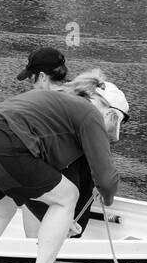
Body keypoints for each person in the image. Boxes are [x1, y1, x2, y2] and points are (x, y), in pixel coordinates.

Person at [0, 75, 129, 263]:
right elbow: (105, 176)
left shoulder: (53, 103)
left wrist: (62, 219)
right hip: (2, 141)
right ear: (110, 113)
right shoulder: (89, 113)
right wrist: (107, 197)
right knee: (68, 196)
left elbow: (31, 187)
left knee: (2, 209)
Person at [15, 47, 97, 237]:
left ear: (42, 77)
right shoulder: (82, 98)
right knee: (71, 237)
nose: (31, 84)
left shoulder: (36, 103)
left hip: (50, 174)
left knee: (37, 244)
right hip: (82, 176)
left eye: (31, 78)